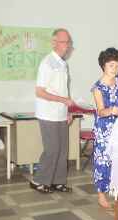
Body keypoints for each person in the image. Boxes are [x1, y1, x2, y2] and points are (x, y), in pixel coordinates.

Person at [30, 28, 74, 193]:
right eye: (64, 42)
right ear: (54, 43)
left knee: (63, 150)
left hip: (61, 113)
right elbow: (39, 91)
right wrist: (64, 101)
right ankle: (38, 181)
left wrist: (68, 110)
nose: (67, 45)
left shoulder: (63, 64)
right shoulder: (46, 63)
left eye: (68, 42)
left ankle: (58, 181)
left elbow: (63, 89)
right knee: (52, 149)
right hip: (47, 113)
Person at [91, 47, 118, 209]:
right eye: (112, 66)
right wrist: (111, 110)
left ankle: (116, 187)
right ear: (104, 66)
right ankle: (101, 194)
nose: (115, 69)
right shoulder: (98, 88)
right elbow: (101, 111)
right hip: (104, 128)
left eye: (117, 66)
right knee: (103, 161)